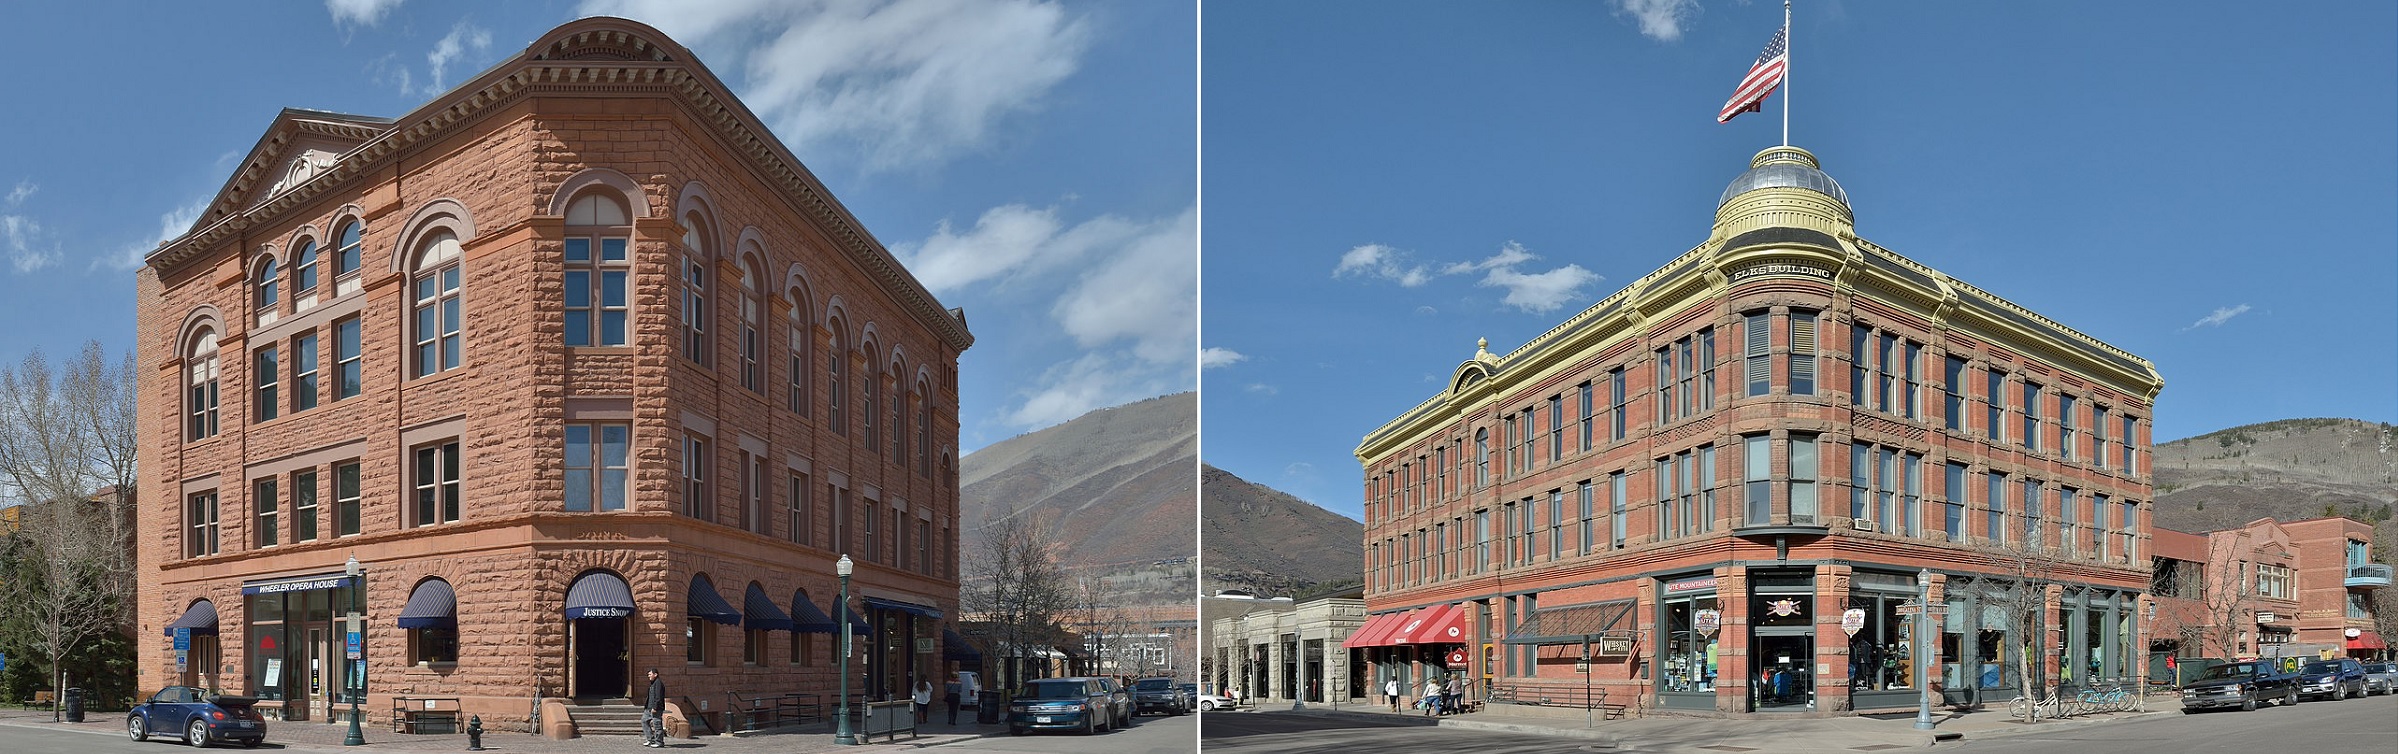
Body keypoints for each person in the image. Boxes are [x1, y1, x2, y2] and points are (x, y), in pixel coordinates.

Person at [642, 668, 666, 748]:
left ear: (655, 674)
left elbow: (658, 697)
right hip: (648, 708)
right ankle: (650, 739)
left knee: (657, 725)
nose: (648, 676)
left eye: (650, 674)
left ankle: (659, 742)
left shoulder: (658, 683)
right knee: (644, 721)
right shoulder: (653, 683)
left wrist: (655, 707)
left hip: (656, 708)